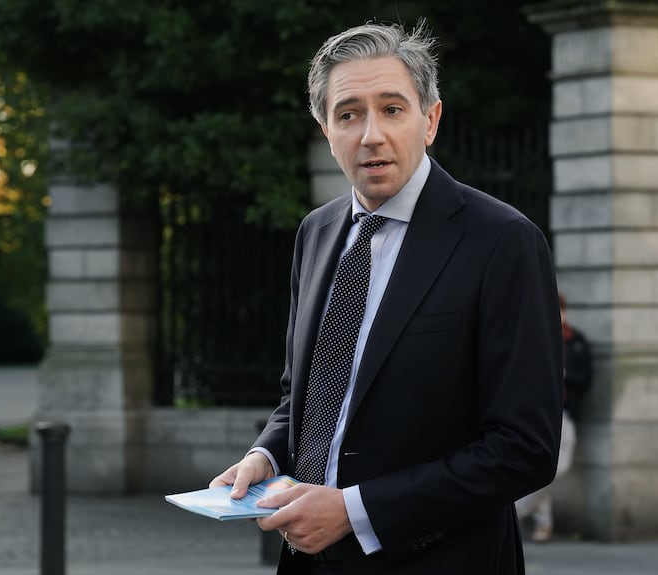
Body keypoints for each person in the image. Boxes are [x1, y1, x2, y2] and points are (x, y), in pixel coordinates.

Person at [210, 21, 563, 574]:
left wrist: (354, 511)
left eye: (392, 109)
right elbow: (304, 393)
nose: (371, 133)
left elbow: (525, 450)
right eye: (348, 113)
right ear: (326, 129)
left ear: (431, 120)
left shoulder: (502, 241)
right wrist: (266, 454)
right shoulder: (317, 232)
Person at [515, 293, 592, 542]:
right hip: (537, 413)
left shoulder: (575, 341)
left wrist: (564, 375)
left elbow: (585, 379)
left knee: (557, 467)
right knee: (541, 466)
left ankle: (517, 510)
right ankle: (544, 525)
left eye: (561, 309)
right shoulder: (537, 338)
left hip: (563, 413)